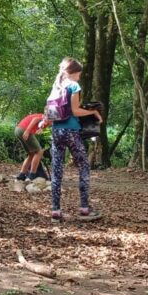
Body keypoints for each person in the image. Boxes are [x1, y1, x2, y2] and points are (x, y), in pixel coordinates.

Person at [46, 58, 103, 222]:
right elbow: (75, 111)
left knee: (57, 170)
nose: (80, 76)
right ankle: (84, 208)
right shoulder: (74, 86)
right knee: (84, 166)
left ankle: (55, 210)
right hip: (71, 131)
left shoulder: (56, 86)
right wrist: (93, 112)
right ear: (75, 72)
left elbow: (50, 112)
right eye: (79, 73)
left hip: (56, 131)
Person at [14, 112, 50, 181]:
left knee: (31, 154)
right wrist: (27, 131)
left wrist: (41, 129)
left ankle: (21, 175)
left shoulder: (47, 121)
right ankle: (32, 175)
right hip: (24, 129)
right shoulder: (48, 116)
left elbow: (40, 124)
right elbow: (35, 119)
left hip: (18, 130)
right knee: (39, 152)